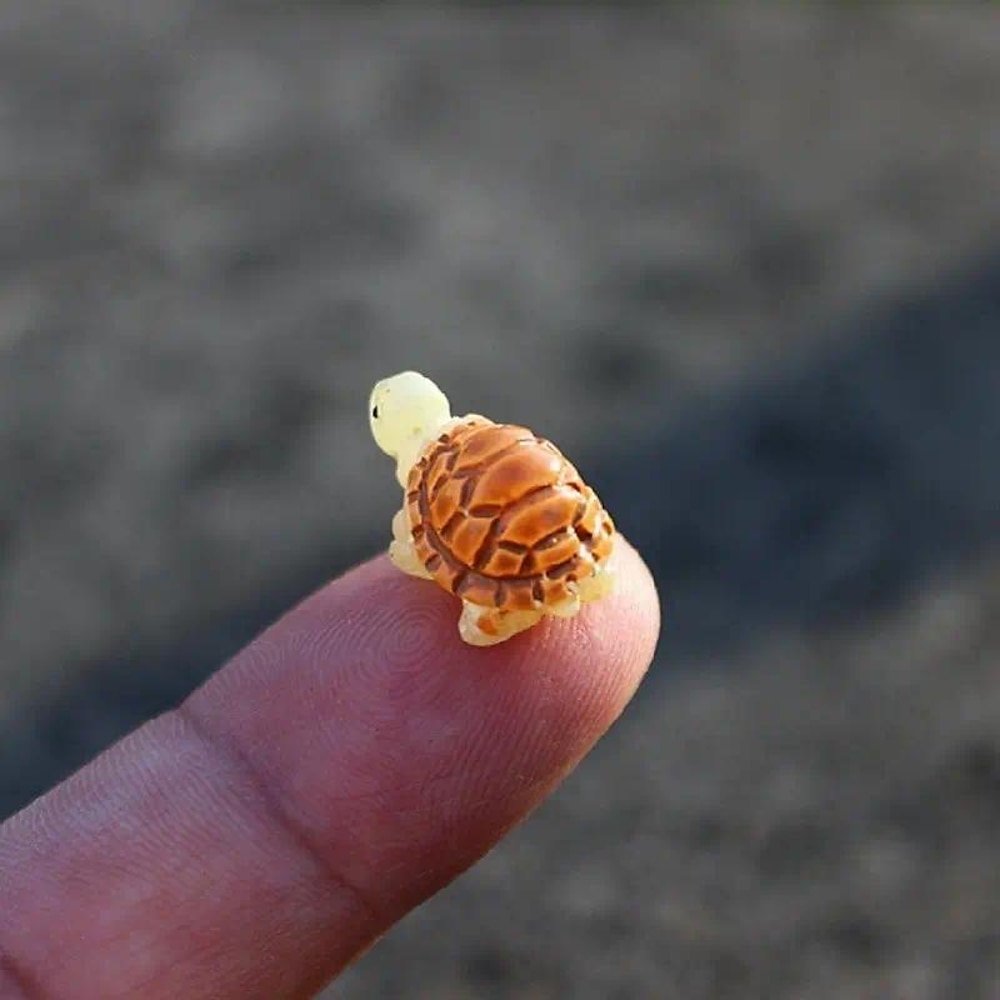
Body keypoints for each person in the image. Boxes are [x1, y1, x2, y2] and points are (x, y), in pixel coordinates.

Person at [0, 541, 659, 999]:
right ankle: (564, 567)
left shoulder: (443, 481)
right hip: (559, 540)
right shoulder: (483, 451)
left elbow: (414, 549)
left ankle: (525, 586)